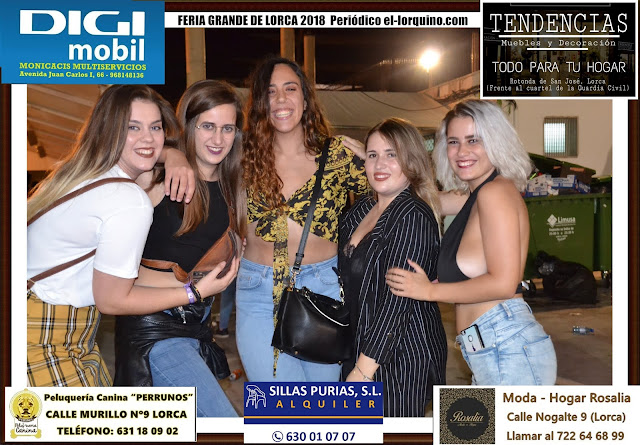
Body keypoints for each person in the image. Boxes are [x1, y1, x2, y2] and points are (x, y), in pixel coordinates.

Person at [27, 84, 234, 387]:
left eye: (155, 127)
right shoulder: (127, 199)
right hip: (43, 335)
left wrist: (174, 154)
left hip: (59, 327)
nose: (148, 138)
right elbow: (112, 300)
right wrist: (195, 293)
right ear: (109, 130)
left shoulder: (84, 176)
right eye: (132, 127)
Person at [386, 100, 557, 386]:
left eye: (473, 140)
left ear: (496, 142)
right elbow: (424, 201)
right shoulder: (477, 194)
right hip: (491, 351)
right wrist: (380, 161)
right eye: (453, 142)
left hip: (508, 351)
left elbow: (504, 283)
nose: (462, 151)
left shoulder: (494, 194)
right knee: (460, 418)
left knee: (462, 419)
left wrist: (429, 291)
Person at [114, 80, 245, 417]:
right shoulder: (156, 179)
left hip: (197, 329)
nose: (218, 139)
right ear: (189, 125)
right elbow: (113, 152)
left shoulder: (232, 188)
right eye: (207, 126)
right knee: (224, 424)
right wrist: (170, 153)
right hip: (155, 330)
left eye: (227, 128)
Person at [236, 56, 370, 381]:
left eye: (290, 89)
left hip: (323, 288)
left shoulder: (337, 155)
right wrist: (173, 155)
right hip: (258, 291)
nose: (281, 99)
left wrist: (376, 161)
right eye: (270, 92)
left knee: (321, 405)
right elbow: (192, 157)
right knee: (281, 404)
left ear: (306, 98)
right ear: (260, 103)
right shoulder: (241, 155)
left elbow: (397, 196)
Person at [339, 118, 447, 416]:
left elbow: (395, 303)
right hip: (363, 346)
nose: (379, 164)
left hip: (399, 359)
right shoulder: (365, 208)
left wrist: (362, 371)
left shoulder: (412, 214)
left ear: (411, 160)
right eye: (372, 155)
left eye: (392, 154)